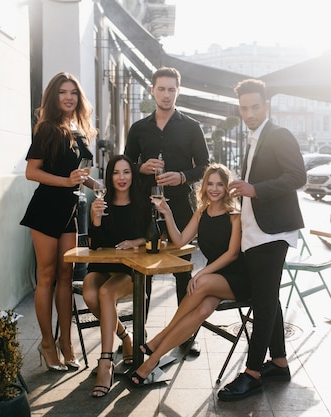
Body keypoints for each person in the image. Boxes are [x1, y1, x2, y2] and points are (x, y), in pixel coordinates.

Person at [218, 79, 307, 401]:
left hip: (274, 231)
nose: (249, 113)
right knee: (267, 297)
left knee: (263, 301)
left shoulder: (279, 135)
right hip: (255, 231)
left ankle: (253, 372)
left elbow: (298, 176)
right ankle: (279, 363)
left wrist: (256, 189)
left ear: (266, 106)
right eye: (244, 108)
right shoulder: (254, 139)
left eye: (255, 107)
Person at [129, 163, 247, 386]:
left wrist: (202, 272)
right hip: (215, 278)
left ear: (226, 187)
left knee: (199, 283)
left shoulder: (234, 215)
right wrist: (168, 213)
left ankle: (159, 343)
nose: (214, 189)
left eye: (219, 185)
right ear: (204, 186)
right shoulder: (202, 212)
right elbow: (181, 240)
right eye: (210, 184)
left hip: (238, 278)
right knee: (202, 309)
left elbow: (232, 254)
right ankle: (154, 358)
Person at [124, 66, 210, 355]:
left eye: (171, 89)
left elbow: (205, 167)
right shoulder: (139, 128)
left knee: (183, 274)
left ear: (178, 91)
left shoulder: (192, 126)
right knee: (143, 273)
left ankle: (185, 336)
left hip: (181, 209)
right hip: (146, 209)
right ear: (152, 90)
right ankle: (141, 336)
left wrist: (182, 176)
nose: (166, 94)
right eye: (161, 88)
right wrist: (140, 168)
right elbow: (123, 166)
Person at [20, 71, 97, 372]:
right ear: (54, 97)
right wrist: (67, 183)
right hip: (45, 208)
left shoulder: (78, 130)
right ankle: (47, 344)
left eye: (73, 92)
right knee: (48, 276)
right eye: (63, 92)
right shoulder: (48, 129)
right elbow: (32, 172)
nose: (68, 97)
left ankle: (67, 343)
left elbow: (80, 174)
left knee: (67, 276)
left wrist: (98, 187)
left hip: (69, 209)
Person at [81, 155, 151, 397]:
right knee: (90, 292)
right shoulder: (102, 201)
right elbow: (95, 245)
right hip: (102, 266)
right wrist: (96, 219)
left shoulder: (142, 202)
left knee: (105, 292)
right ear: (109, 177)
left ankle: (106, 361)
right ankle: (125, 337)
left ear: (133, 175)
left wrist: (136, 241)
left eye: (126, 172)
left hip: (129, 270)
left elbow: (153, 235)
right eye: (116, 173)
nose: (121, 178)